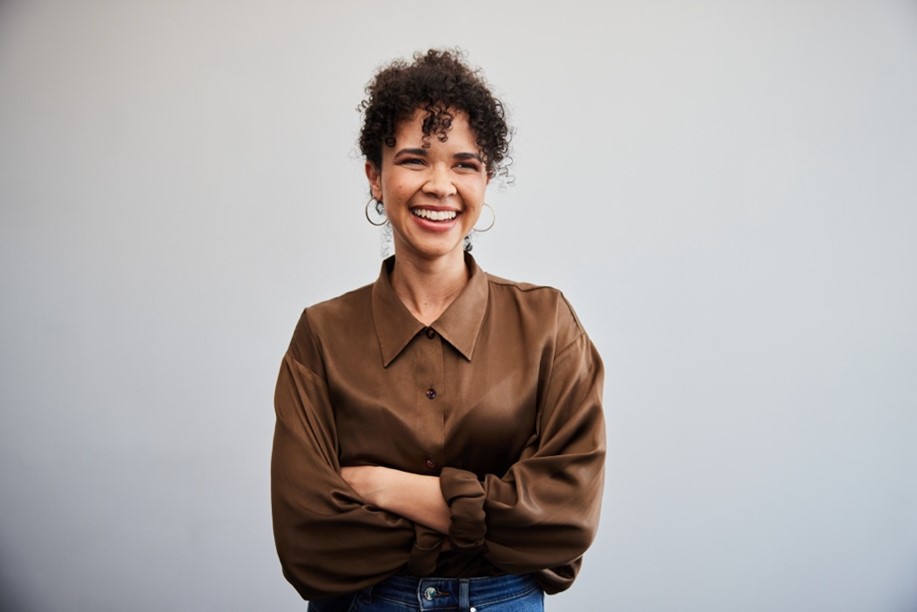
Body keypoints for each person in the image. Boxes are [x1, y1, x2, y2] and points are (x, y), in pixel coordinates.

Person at [272, 49, 605, 612]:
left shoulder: (548, 325)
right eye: (413, 160)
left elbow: (566, 517)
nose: (440, 185)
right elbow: (310, 543)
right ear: (375, 177)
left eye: (464, 164)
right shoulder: (321, 335)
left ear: (486, 179)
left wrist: (387, 489)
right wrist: (497, 518)